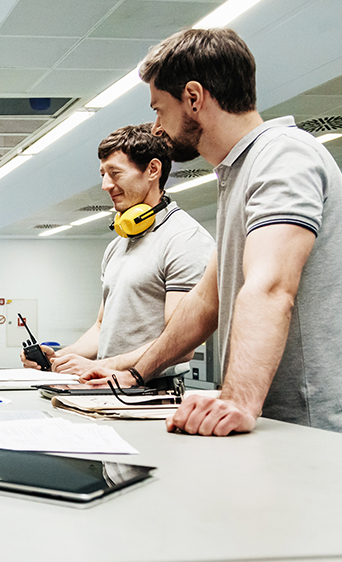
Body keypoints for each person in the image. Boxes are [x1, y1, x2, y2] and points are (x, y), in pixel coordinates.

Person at [86, 28, 342, 436]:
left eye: (159, 109)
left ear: (193, 97)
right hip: (264, 419)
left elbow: (271, 286)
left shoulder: (281, 155)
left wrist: (237, 398)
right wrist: (136, 372)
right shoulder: (237, 173)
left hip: (307, 423)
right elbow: (206, 301)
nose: (155, 128)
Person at [21, 124, 214, 384]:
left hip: (154, 389)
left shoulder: (185, 239)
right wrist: (60, 359)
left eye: (115, 173)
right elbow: (102, 328)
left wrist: (104, 364)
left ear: (152, 170)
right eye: (103, 174)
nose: (105, 185)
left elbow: (181, 342)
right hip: (108, 382)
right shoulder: (118, 245)